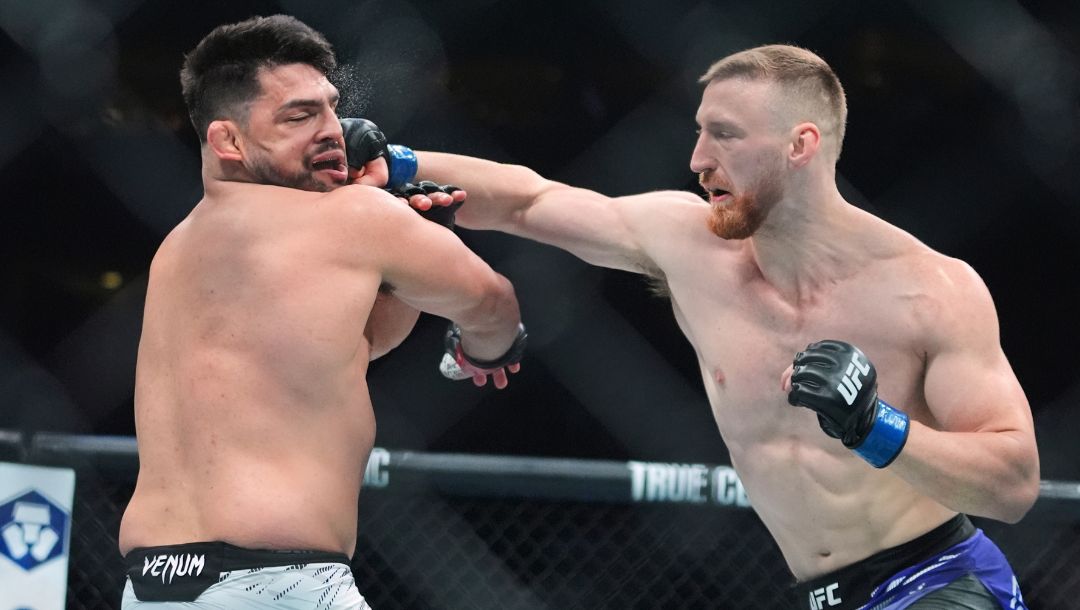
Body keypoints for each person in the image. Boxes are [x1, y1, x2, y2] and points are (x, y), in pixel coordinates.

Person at [407, 44, 1039, 609]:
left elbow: (1013, 483)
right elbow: (528, 200)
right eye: (699, 132)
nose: (698, 159)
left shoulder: (929, 290)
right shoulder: (688, 244)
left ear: (801, 146)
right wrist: (395, 162)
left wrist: (876, 427)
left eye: (726, 135)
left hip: (936, 580)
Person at [117, 15, 526, 609]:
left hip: (154, 585)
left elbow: (339, 353)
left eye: (332, 108)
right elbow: (492, 300)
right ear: (227, 141)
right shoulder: (354, 218)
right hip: (280, 582)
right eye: (299, 117)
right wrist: (481, 349)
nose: (335, 130)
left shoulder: (175, 252)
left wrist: (398, 279)